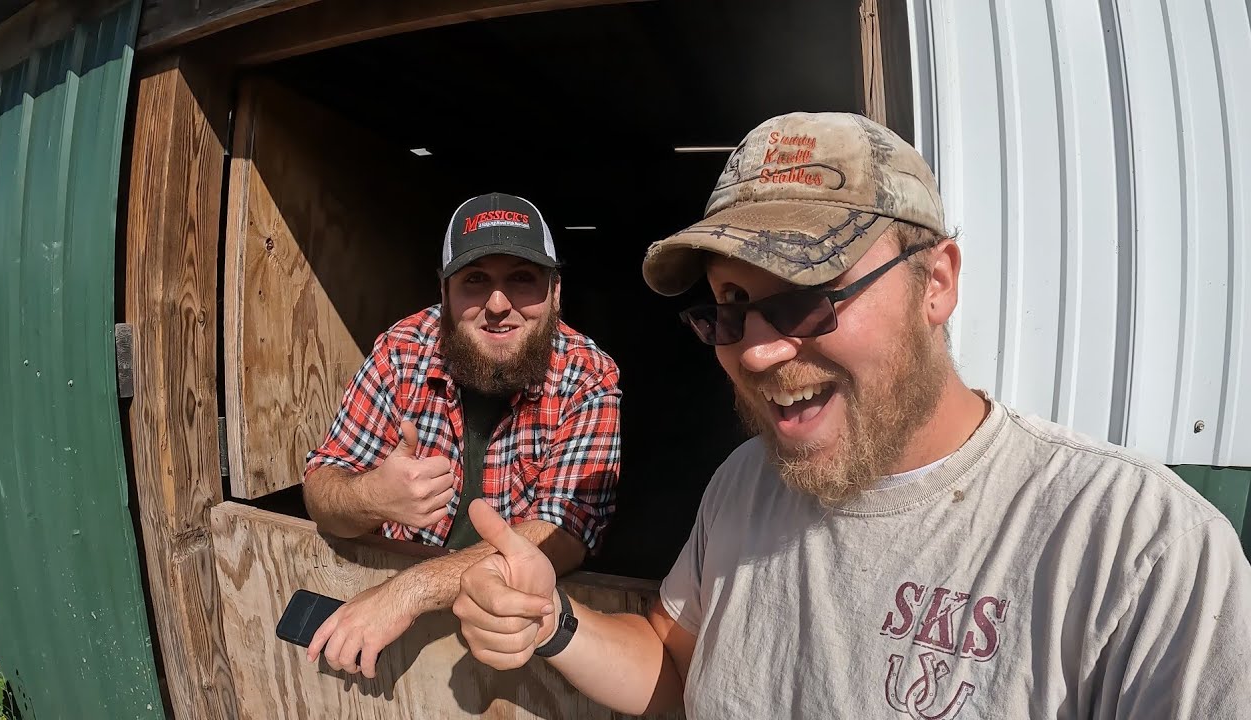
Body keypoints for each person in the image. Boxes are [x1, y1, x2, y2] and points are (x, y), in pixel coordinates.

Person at [451, 113, 1251, 718]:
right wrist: (551, 622)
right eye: (730, 305)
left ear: (936, 282)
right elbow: (675, 666)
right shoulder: (744, 484)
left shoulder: (1135, 547)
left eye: (804, 294)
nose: (757, 351)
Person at [301, 192, 622, 679]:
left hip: (505, 636)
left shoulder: (588, 377)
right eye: (476, 280)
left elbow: (565, 532)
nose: (498, 305)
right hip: (381, 630)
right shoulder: (401, 353)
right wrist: (369, 496)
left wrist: (408, 593)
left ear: (556, 293)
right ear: (445, 291)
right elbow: (320, 491)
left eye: (521, 278)